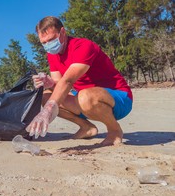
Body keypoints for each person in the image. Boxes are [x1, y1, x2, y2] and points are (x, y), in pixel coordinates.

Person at [26, 16, 133, 146]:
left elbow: (68, 81)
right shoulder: (52, 55)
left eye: (52, 40)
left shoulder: (83, 46)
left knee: (84, 96)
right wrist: (50, 83)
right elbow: (60, 85)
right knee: (46, 96)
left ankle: (114, 131)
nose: (48, 45)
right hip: (84, 100)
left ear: (63, 32)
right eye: (44, 43)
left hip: (118, 98)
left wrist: (47, 111)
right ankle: (87, 127)